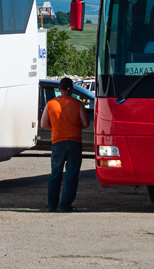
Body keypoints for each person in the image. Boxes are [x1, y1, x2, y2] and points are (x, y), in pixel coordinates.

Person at [40, 77, 91, 212]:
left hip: (57, 142)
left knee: (55, 174)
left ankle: (52, 205)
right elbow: (86, 124)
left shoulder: (51, 104)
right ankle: (65, 205)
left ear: (59, 89)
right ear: (72, 90)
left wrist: (57, 126)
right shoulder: (78, 104)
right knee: (71, 175)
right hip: (74, 142)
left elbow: (43, 124)